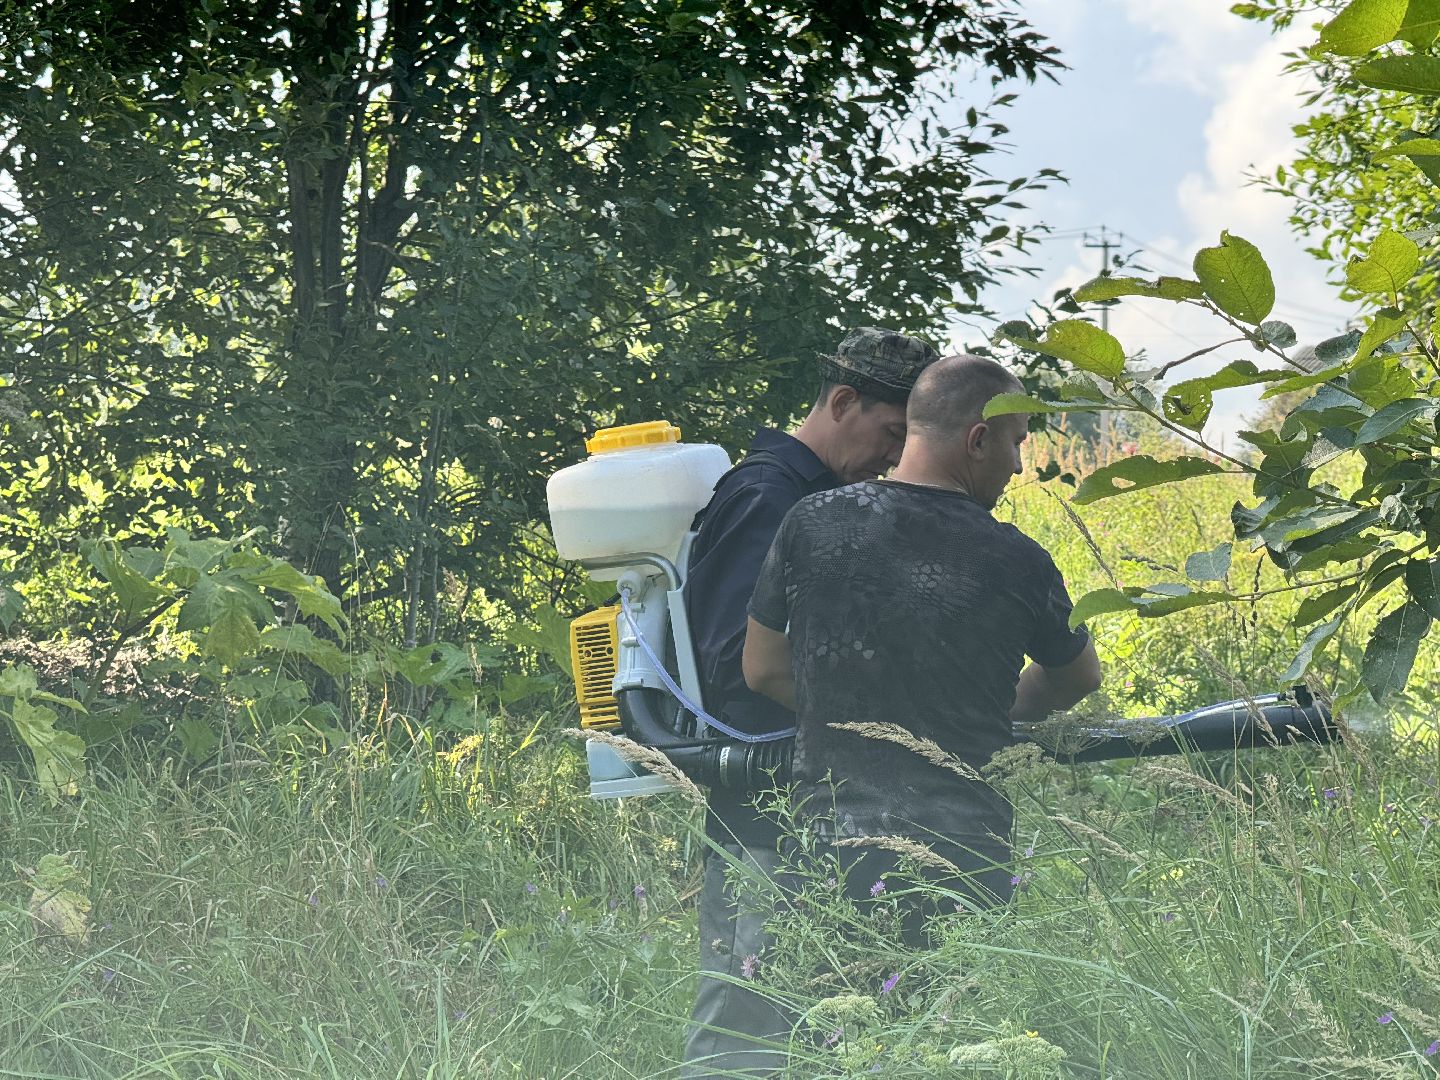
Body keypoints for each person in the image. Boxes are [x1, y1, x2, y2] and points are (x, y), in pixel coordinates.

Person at [742, 354, 1102, 941]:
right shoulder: (1019, 559)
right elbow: (1077, 678)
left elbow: (761, 669)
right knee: (955, 1024)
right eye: (1016, 444)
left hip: (826, 850)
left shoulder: (810, 522)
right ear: (979, 440)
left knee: (832, 1026)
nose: (1016, 466)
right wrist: (973, 708)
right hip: (963, 858)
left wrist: (855, 713)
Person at [680, 327, 940, 1078]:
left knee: (822, 1036)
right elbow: (734, 668)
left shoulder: (822, 501)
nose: (896, 457)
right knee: (743, 1036)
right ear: (844, 400)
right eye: (892, 433)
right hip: (766, 809)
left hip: (821, 808)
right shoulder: (767, 497)